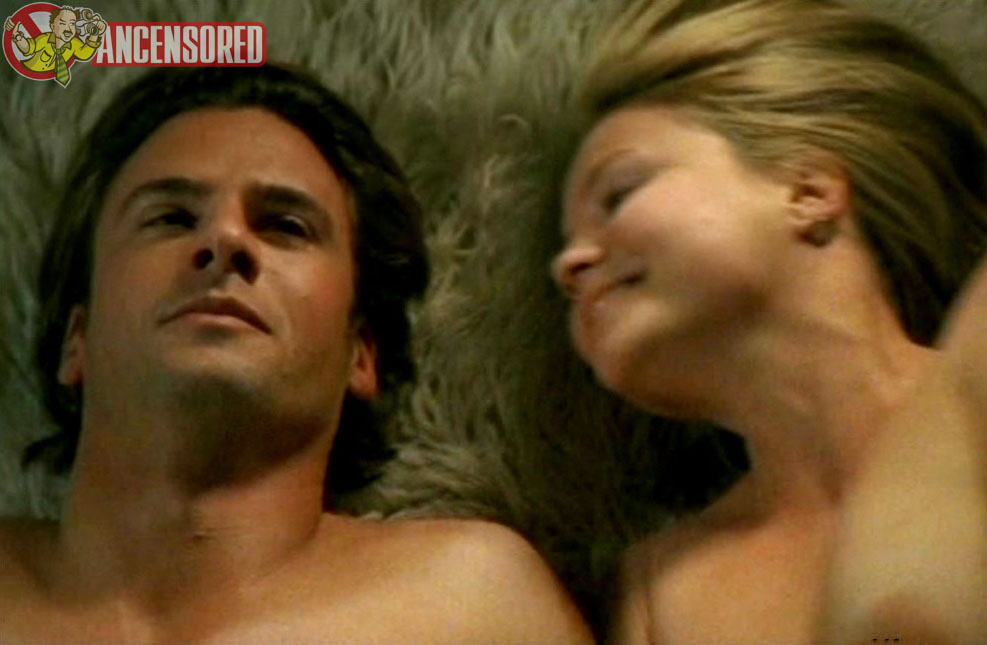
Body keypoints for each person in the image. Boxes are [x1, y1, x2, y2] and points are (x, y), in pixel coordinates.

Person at [0, 64, 592, 644]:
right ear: (76, 337)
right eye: (171, 218)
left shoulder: (472, 600)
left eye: (286, 226)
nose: (225, 239)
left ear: (361, 353)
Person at [551, 0, 986, 641]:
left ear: (808, 193)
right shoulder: (659, 587)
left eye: (619, 194)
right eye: (567, 244)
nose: (568, 265)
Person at [4, 6, 107, 86]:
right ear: (53, 27)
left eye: (72, 24)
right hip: (26, 77)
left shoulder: (74, 43)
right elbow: (28, 48)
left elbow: (84, 53)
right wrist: (17, 36)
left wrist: (95, 34)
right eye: (62, 23)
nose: (68, 29)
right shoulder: (45, 39)